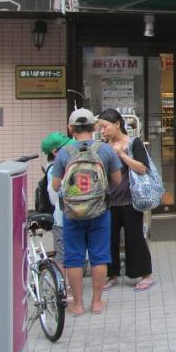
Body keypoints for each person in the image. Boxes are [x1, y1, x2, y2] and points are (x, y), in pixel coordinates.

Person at [51, 108, 121, 316]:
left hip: (72, 212)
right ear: (94, 127)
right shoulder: (105, 150)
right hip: (100, 210)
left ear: (70, 129)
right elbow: (117, 180)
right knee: (99, 256)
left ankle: (78, 304)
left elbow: (55, 186)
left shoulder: (64, 152)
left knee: (74, 257)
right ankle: (97, 302)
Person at [97, 108, 155, 292]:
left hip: (131, 200)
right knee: (110, 239)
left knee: (135, 238)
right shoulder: (102, 146)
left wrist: (122, 155)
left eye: (105, 126)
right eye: (100, 127)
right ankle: (112, 274)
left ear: (117, 124)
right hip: (110, 200)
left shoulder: (134, 143)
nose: (102, 131)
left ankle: (145, 274)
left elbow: (143, 168)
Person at [40, 131, 73, 275]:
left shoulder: (60, 166)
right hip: (61, 220)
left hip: (67, 218)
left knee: (67, 253)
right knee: (62, 255)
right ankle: (63, 288)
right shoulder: (54, 169)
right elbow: (54, 197)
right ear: (55, 152)